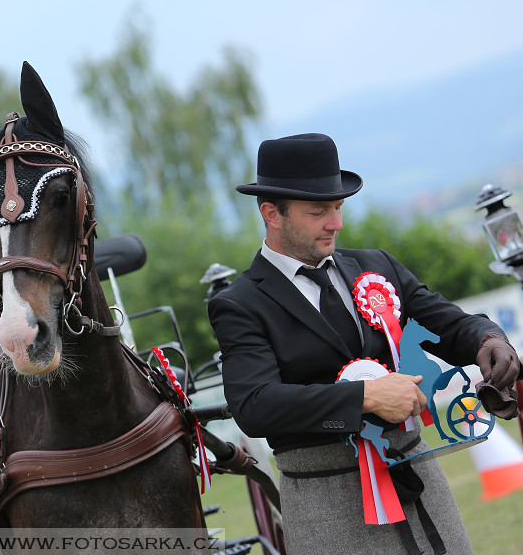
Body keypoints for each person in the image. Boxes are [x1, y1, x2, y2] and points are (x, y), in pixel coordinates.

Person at [207, 133, 521, 555]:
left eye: (337, 208)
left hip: (421, 479)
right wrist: (364, 397)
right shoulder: (240, 303)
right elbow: (255, 406)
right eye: (318, 211)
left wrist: (488, 339)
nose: (335, 222)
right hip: (326, 501)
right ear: (271, 214)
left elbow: (449, 325)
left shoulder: (377, 265)